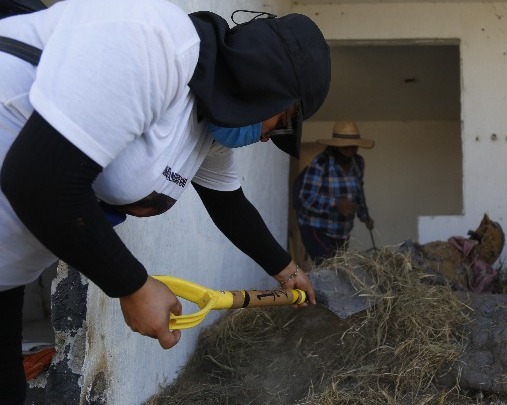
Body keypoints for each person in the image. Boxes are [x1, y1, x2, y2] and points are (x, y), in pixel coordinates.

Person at [0, 0, 330, 402]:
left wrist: (287, 270)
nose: (268, 138)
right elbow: (41, 178)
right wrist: (133, 285)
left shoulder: (208, 136)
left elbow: (230, 206)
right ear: (266, 87)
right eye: (283, 121)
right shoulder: (158, 43)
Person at [295, 121, 375, 264]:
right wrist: (336, 203)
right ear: (336, 146)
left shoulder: (358, 163)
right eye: (345, 147)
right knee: (330, 269)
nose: (350, 151)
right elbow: (306, 198)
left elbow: (358, 193)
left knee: (340, 270)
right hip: (317, 229)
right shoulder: (320, 164)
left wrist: (364, 216)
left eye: (354, 147)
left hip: (342, 232)